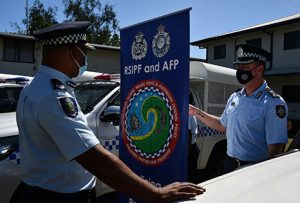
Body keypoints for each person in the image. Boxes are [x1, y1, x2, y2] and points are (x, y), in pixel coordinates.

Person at [15, 21, 205, 203]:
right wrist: (155, 193)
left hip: (41, 191)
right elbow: (94, 158)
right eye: (84, 52)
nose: (84, 59)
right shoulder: (54, 97)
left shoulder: (33, 87)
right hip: (59, 198)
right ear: (72, 51)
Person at [189, 44, 288, 174]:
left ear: (259, 69)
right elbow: (222, 124)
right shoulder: (235, 97)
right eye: (238, 66)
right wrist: (196, 112)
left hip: (254, 170)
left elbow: (275, 149)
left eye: (245, 67)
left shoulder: (273, 103)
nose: (239, 70)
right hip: (229, 165)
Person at [187, 114, 200, 183]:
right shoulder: (190, 114)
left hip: (190, 148)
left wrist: (186, 154)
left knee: (190, 176)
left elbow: (188, 133)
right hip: (192, 146)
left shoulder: (188, 113)